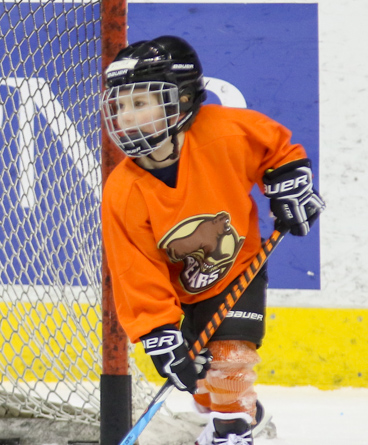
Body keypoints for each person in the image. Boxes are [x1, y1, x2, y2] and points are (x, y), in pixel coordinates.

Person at [100, 36, 324, 445]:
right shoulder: (123, 191)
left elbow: (275, 148)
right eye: (120, 105)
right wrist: (160, 335)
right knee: (201, 382)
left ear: (183, 102)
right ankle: (232, 409)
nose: (127, 117)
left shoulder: (223, 133)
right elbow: (135, 271)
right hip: (178, 291)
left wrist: (288, 185)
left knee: (229, 358)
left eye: (140, 103)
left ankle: (232, 431)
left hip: (238, 269)